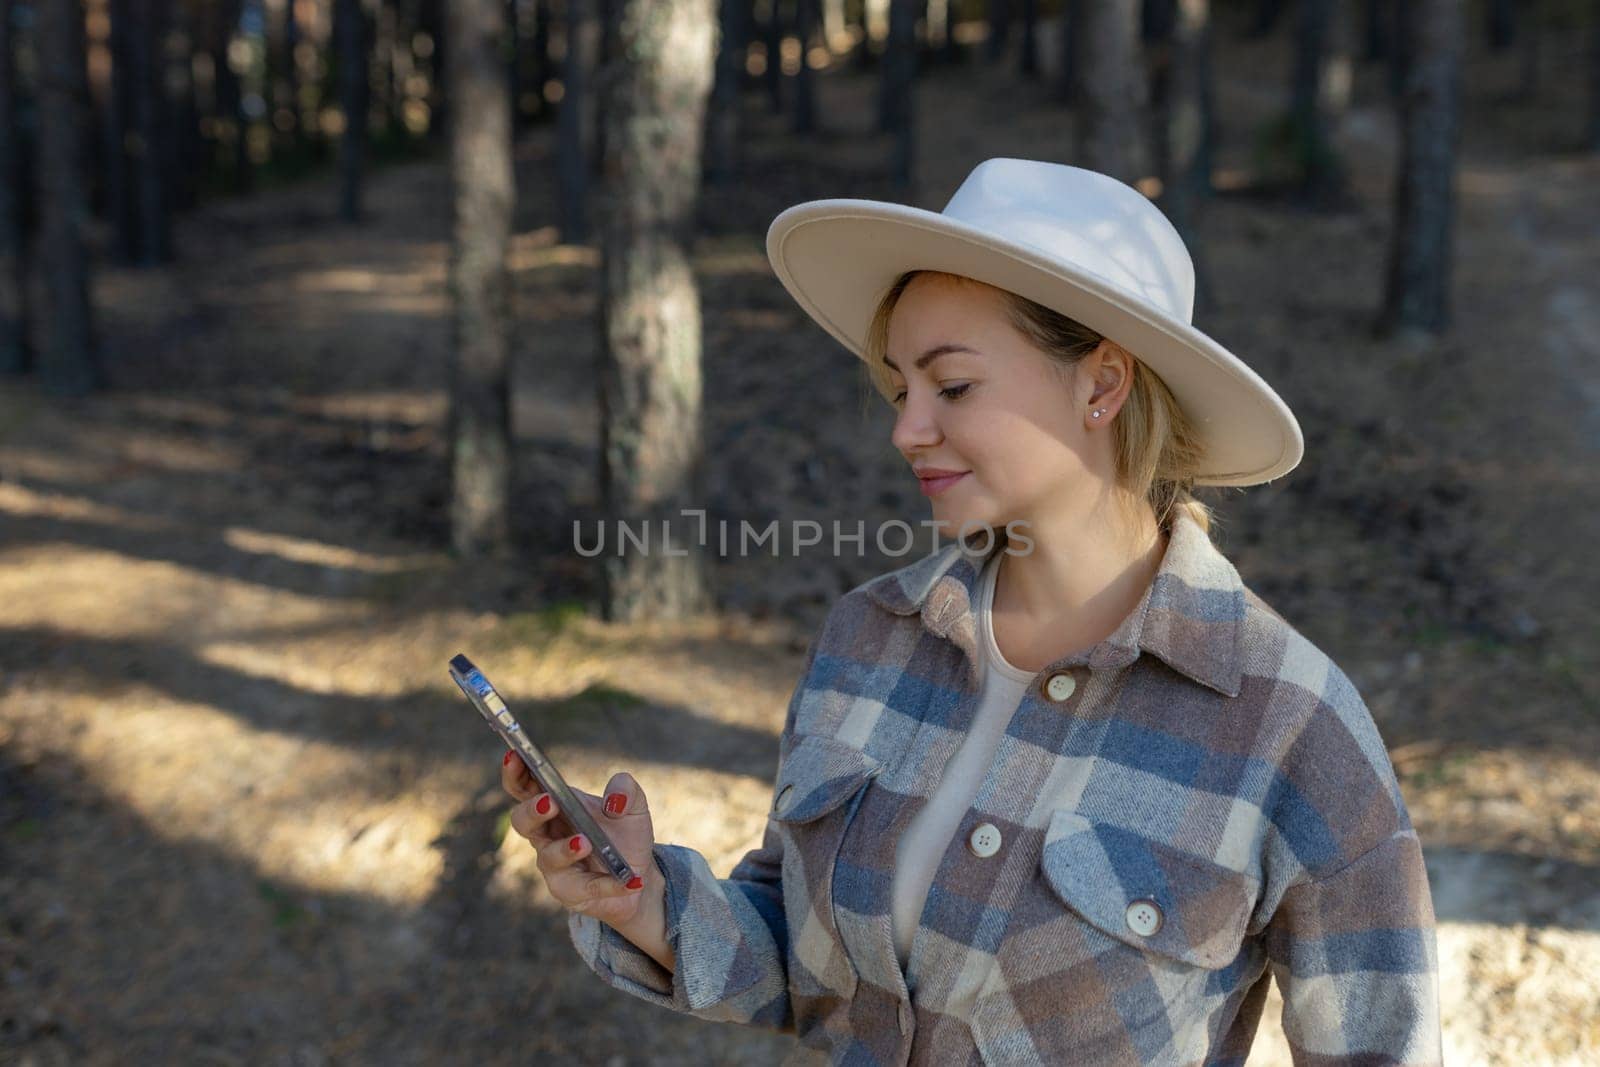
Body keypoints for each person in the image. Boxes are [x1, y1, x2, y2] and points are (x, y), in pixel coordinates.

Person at [500, 158, 1443, 1065]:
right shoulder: (869, 639)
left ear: (1102, 384)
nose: (907, 427)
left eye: (952, 386)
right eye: (900, 387)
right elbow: (804, 968)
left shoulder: (1290, 725)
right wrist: (645, 903)